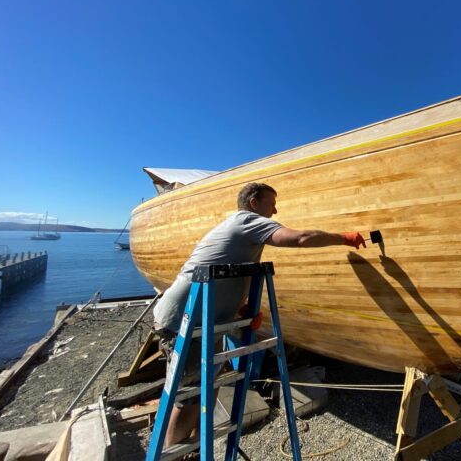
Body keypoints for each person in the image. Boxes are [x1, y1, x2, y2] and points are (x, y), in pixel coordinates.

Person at [153, 182, 365, 448]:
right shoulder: (247, 221)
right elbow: (300, 238)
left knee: (207, 386)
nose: (275, 211)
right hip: (186, 321)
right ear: (254, 203)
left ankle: (194, 449)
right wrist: (344, 238)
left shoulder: (239, 230)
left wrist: (237, 311)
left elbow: (224, 271)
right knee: (190, 396)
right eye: (271, 203)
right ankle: (173, 452)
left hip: (207, 320)